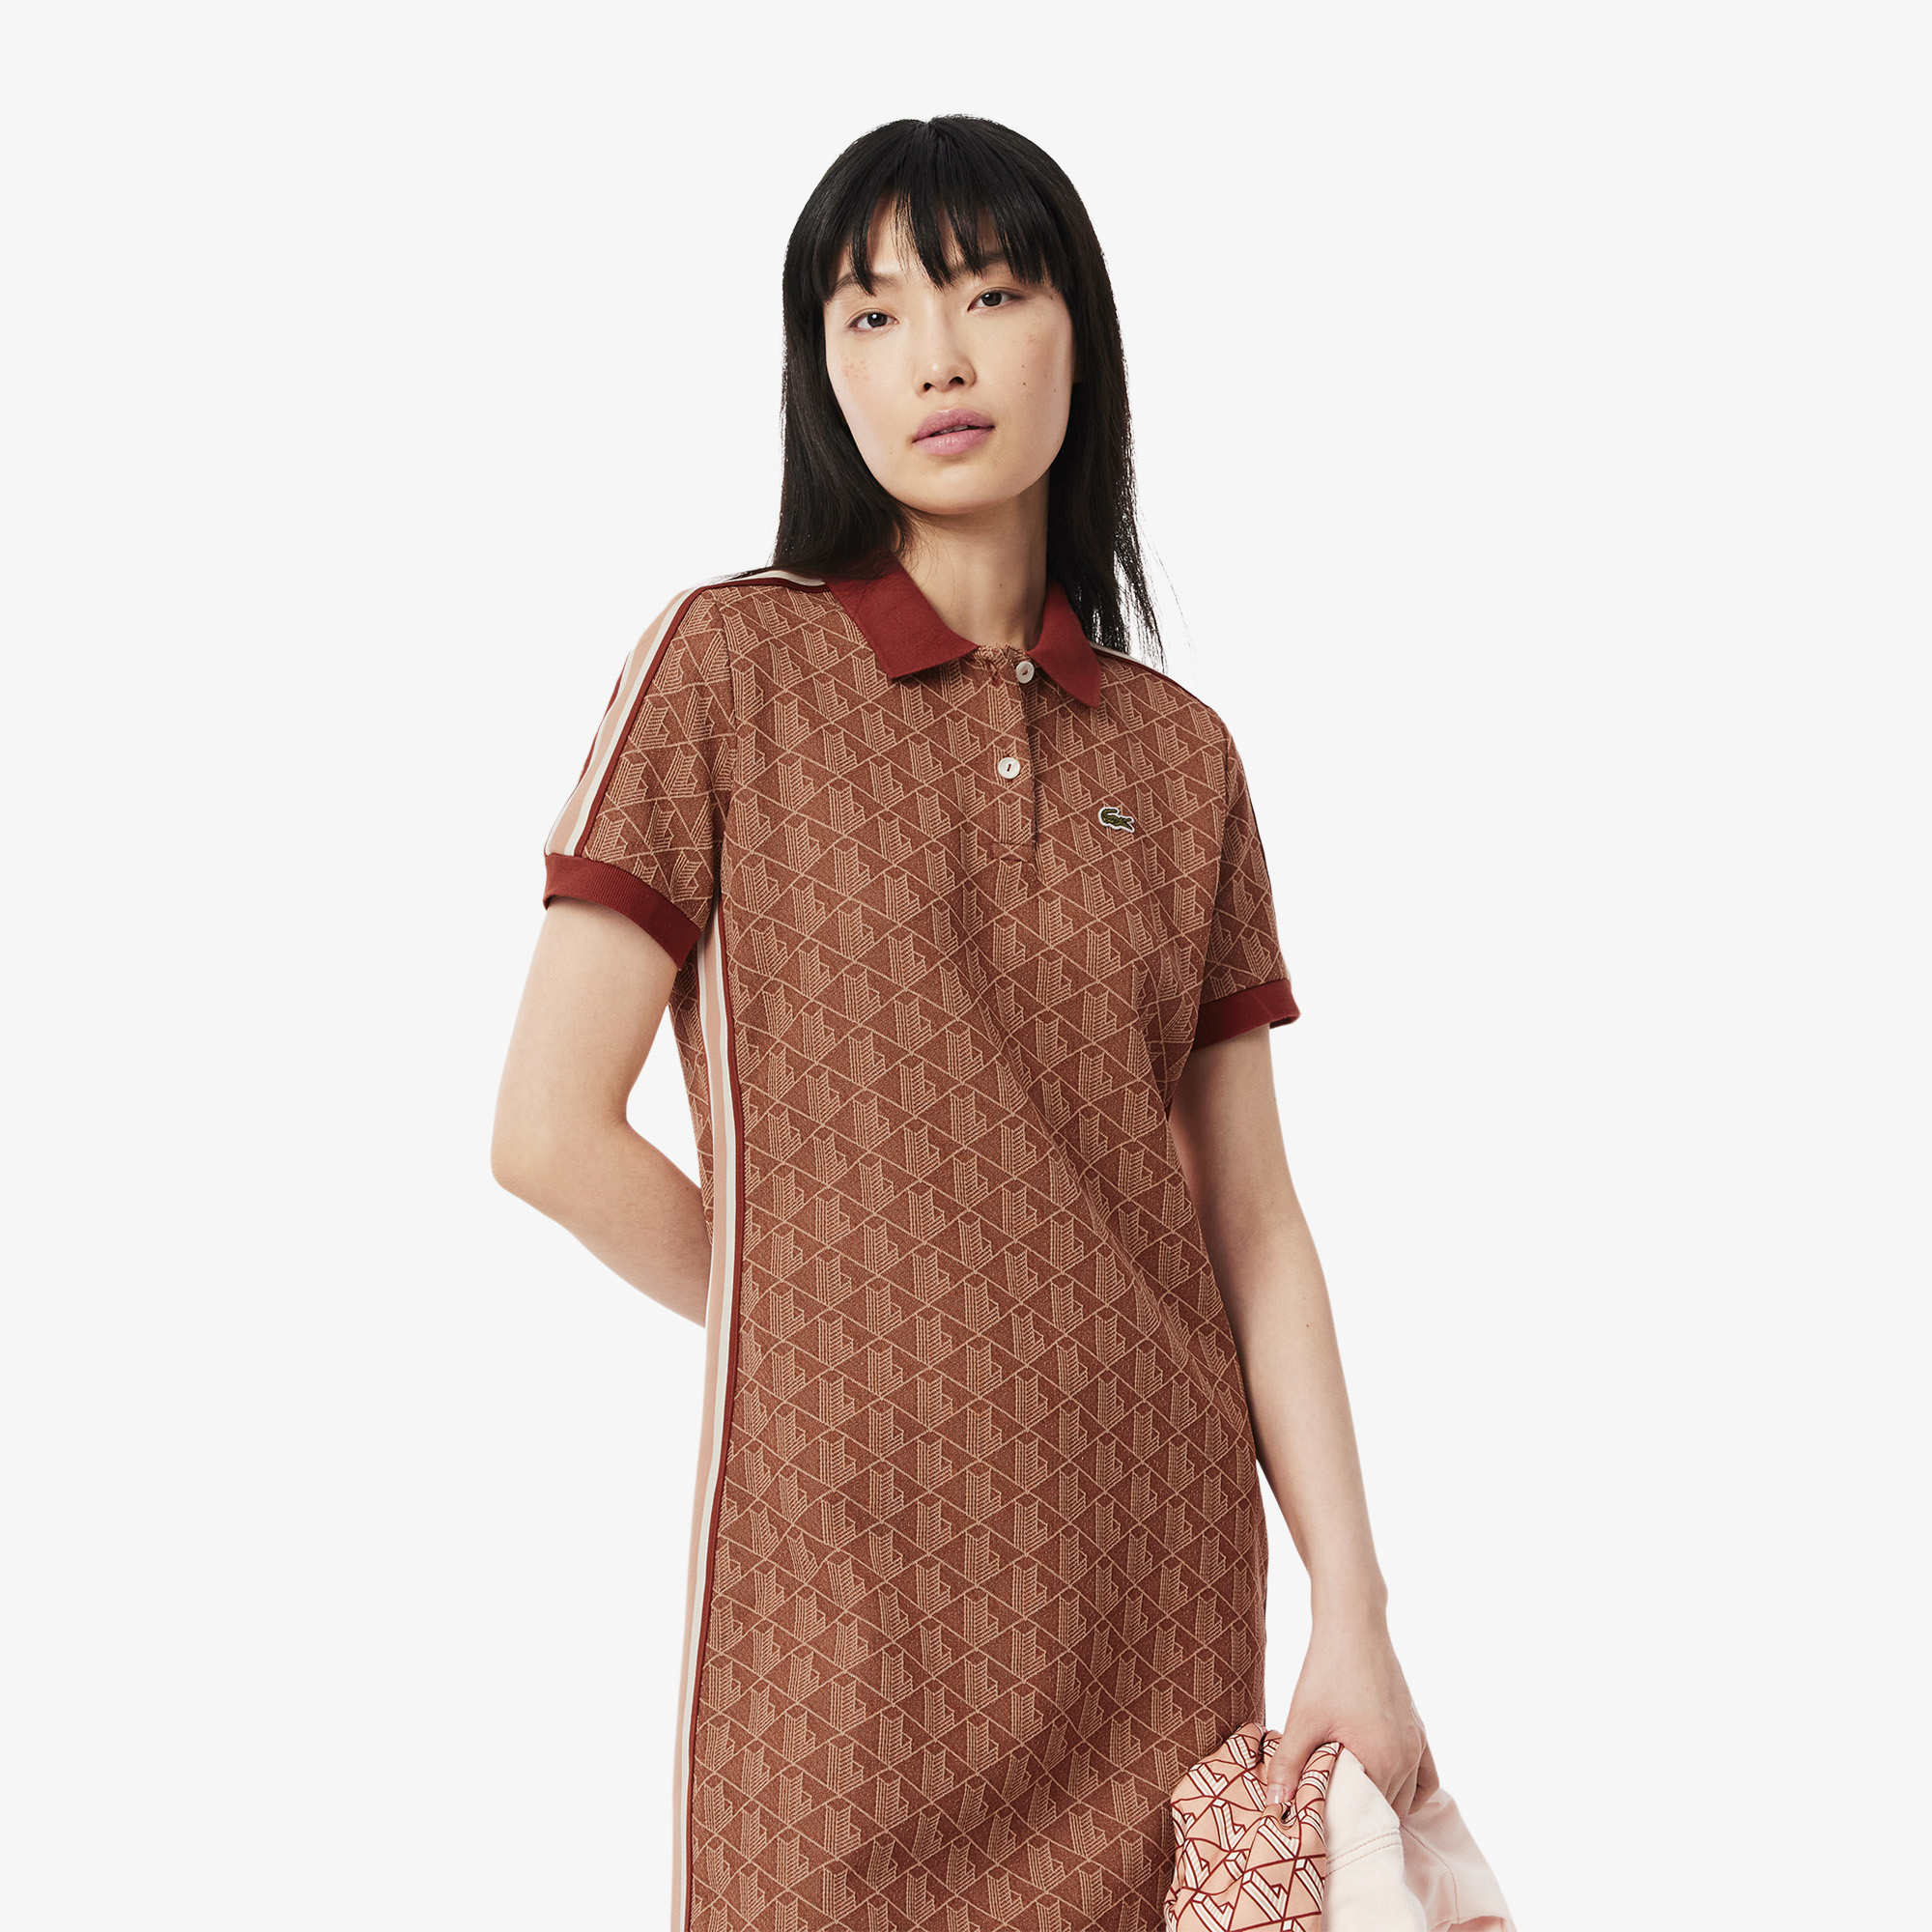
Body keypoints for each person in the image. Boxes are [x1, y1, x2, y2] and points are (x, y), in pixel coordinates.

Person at [493, 114, 1435, 1932]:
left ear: (1081, 331)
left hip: (1156, 1590)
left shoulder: (1182, 756)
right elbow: (547, 1133)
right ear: (819, 370)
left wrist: (1356, 1612)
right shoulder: (730, 666)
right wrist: (831, 1337)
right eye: (871, 314)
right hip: (845, 1605)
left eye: (991, 295)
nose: (935, 356)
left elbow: (1253, 1227)